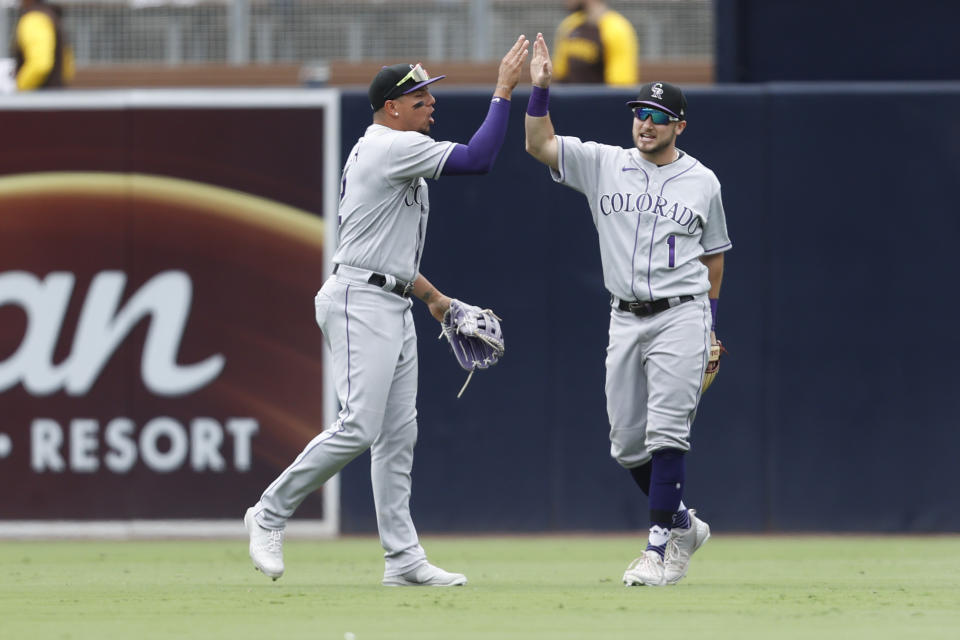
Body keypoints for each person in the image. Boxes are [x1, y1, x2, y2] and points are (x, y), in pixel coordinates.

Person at [244, 36, 530, 587]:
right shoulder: (390, 147)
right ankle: (269, 513)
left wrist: (437, 301)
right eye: (419, 96)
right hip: (360, 301)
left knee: (399, 436)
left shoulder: (393, 150)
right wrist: (502, 90)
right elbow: (479, 159)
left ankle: (401, 558)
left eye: (430, 94)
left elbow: (387, 256)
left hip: (388, 299)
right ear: (391, 107)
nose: (430, 103)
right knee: (358, 427)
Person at [524, 33, 730, 586]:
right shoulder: (604, 164)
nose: (646, 123)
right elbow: (539, 145)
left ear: (679, 126)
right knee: (625, 444)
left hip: (682, 312)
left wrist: (709, 324)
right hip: (624, 315)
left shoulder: (703, 181)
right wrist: (540, 90)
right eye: (641, 112)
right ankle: (682, 523)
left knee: (668, 435)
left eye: (659, 116)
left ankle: (659, 551)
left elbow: (714, 258)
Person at [553, 0, 638, 85]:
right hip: (568, 97)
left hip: (601, 97)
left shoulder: (616, 28)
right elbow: (559, 74)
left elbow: (620, 85)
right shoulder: (569, 24)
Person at [12, 0, 73, 91]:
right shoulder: (51, 16)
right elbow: (68, 67)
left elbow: (40, 65)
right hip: (57, 96)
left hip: (37, 100)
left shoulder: (34, 20)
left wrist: (19, 87)